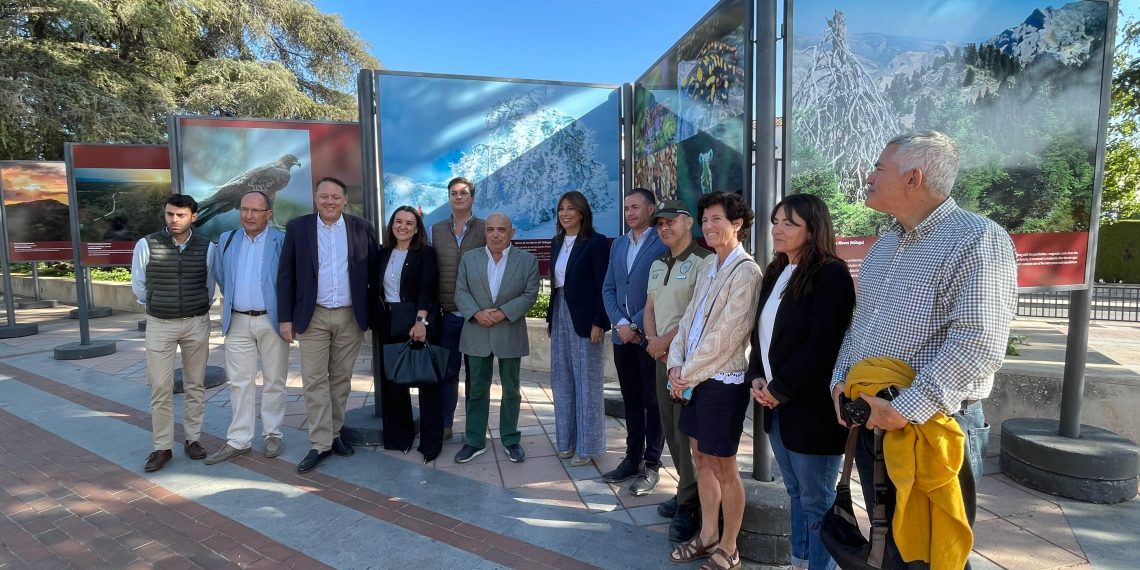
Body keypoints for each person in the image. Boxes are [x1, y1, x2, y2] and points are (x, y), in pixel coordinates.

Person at [829, 131, 1018, 565]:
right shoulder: (886, 244)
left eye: (879, 167)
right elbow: (861, 325)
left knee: (935, 551)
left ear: (913, 178)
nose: (869, 176)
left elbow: (980, 341)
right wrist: (839, 384)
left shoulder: (977, 239)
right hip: (871, 419)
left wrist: (906, 407)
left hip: (932, 424)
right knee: (890, 546)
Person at [747, 194, 855, 570]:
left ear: (813, 229)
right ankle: (800, 561)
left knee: (817, 500)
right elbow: (761, 335)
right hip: (776, 406)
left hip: (811, 411)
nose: (777, 229)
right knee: (794, 491)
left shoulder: (831, 273)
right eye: (776, 221)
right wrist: (757, 376)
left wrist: (780, 388)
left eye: (789, 223)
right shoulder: (777, 271)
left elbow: (822, 345)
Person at [666, 191, 762, 570]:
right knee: (700, 457)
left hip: (724, 381)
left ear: (737, 223)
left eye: (716, 219)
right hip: (693, 379)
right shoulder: (709, 266)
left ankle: (729, 545)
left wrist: (684, 373)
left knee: (724, 465)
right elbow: (688, 321)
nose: (708, 226)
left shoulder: (747, 272)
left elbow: (727, 335)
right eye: (705, 220)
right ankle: (707, 534)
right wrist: (676, 365)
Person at [277, 176, 380, 474]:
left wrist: (373, 314)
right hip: (314, 315)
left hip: (350, 315)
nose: (330, 201)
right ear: (316, 198)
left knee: (340, 379)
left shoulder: (362, 228)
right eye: (324, 196)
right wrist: (286, 317)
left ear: (345, 200)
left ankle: (334, 433)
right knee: (314, 379)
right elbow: (286, 275)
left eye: (336, 196)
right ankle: (320, 442)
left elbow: (374, 272)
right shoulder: (299, 227)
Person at [643, 199, 713, 543]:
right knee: (670, 427)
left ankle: (691, 503)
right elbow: (650, 306)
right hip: (661, 358)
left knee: (689, 433)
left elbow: (697, 314)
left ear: (688, 223)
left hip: (688, 362)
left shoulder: (706, 261)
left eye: (670, 222)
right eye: (659, 224)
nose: (664, 228)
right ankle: (686, 489)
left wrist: (666, 343)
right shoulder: (658, 263)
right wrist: (653, 340)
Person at [131, 194, 216, 472]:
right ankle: (162, 447)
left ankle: (193, 440)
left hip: (196, 322)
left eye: (181, 215)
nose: (174, 220)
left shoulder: (207, 247)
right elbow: (139, 287)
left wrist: (195, 308)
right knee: (160, 387)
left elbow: (209, 284)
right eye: (170, 214)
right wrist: (160, 305)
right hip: (160, 324)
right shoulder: (147, 244)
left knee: (195, 385)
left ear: (194, 217)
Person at [205, 191, 291, 465]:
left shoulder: (282, 240)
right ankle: (239, 439)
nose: (249, 215)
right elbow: (220, 275)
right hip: (237, 320)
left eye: (255, 210)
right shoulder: (227, 240)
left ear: (268, 213)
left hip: (271, 320)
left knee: (274, 380)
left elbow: (290, 280)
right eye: (244, 209)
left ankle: (272, 434)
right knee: (239, 382)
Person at [452, 213, 539, 464]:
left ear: (511, 232)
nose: (495, 234)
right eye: (490, 229)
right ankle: (474, 441)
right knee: (477, 390)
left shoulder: (527, 261)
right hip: (476, 332)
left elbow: (530, 293)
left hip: (509, 332)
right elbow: (461, 290)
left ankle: (511, 439)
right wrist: (477, 313)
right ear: (485, 233)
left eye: (501, 229)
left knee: (511, 390)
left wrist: (503, 313)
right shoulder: (470, 258)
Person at [601, 187, 669, 495]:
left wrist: (636, 324)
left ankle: (652, 465)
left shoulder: (662, 241)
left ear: (652, 209)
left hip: (648, 336)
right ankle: (631, 458)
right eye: (626, 207)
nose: (629, 212)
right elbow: (608, 288)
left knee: (652, 401)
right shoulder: (617, 244)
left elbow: (663, 292)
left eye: (635, 207)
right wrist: (620, 323)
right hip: (622, 336)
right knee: (631, 399)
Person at [547, 191, 610, 467]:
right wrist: (552, 318)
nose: (565, 213)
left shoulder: (595, 243)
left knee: (587, 382)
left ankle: (587, 446)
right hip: (560, 311)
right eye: (561, 208)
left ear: (582, 212)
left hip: (586, 319)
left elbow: (602, 286)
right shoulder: (556, 242)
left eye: (571, 208)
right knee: (561, 379)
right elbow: (557, 285)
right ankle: (566, 441)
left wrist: (599, 321)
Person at [378, 206, 443, 464]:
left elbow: (428, 288)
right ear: (392, 225)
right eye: (398, 221)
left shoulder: (425, 254)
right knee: (393, 383)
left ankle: (431, 445)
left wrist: (421, 321)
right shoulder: (382, 254)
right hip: (389, 323)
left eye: (409, 223)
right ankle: (398, 439)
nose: (403, 226)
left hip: (418, 321)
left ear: (417, 228)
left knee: (427, 383)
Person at [430, 177, 486, 440]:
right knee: (448, 373)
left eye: (464, 193)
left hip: (476, 315)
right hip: (448, 314)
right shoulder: (436, 229)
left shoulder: (486, 229)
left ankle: (475, 429)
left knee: (476, 377)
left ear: (472, 198)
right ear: (449, 198)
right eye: (453, 193)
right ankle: (445, 425)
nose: (459, 196)